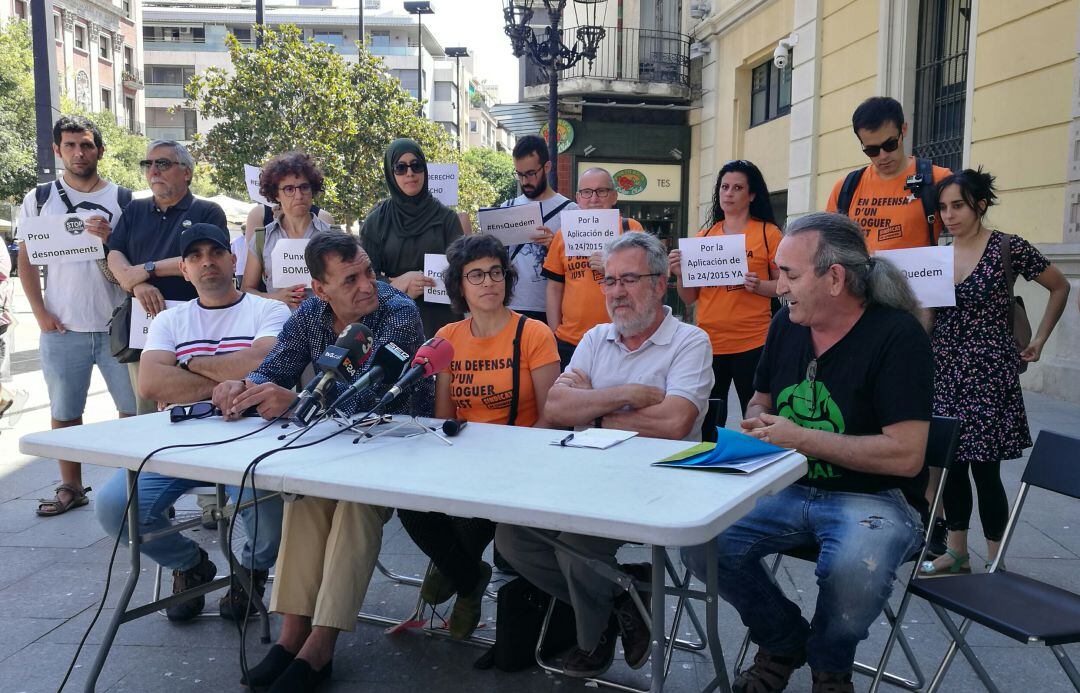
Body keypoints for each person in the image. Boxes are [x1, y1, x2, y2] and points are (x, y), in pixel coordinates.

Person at [681, 212, 932, 693]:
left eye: (790, 275)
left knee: (852, 568)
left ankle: (830, 665)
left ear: (834, 278)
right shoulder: (786, 324)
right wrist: (758, 421)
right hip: (785, 484)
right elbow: (761, 400)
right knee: (699, 541)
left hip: (875, 498)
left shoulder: (899, 336)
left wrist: (801, 437)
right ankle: (783, 640)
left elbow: (906, 456)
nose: (779, 287)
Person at [211, 232, 432, 692]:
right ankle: (291, 636)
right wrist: (244, 387)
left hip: (399, 445)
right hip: (334, 447)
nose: (367, 285)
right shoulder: (310, 314)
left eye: (368, 272)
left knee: (353, 506)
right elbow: (275, 367)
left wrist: (296, 403)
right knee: (305, 497)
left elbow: (372, 397)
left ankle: (321, 645)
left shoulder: (398, 313)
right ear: (320, 289)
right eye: (350, 279)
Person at [498, 232, 712, 679]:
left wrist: (591, 411)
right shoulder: (597, 337)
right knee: (513, 538)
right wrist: (627, 395)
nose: (616, 292)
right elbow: (558, 407)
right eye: (609, 281)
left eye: (629, 279)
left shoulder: (690, 342)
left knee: (577, 550)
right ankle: (623, 595)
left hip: (656, 481)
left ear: (660, 284)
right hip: (585, 473)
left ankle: (591, 637)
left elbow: (674, 422)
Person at [95, 223, 289, 621]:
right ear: (184, 270)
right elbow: (151, 383)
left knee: (266, 513)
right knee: (114, 507)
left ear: (233, 260)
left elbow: (262, 362)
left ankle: (250, 571)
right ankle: (190, 564)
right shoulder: (170, 319)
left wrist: (187, 364)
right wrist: (228, 383)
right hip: (180, 441)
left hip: (254, 438)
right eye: (195, 257)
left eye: (215, 253)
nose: (207, 262)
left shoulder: (269, 309)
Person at [399, 234, 560, 640]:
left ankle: (456, 574)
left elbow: (553, 416)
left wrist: (509, 458)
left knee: (471, 519)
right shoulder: (448, 336)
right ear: (459, 285)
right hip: (465, 456)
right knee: (409, 506)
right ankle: (469, 578)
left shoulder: (534, 333)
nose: (488, 282)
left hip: (521, 459)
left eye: (495, 272)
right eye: (476, 275)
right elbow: (444, 418)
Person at [920, 169, 1070, 575]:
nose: (948, 215)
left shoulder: (1007, 246)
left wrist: (1040, 339)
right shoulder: (938, 255)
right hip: (945, 370)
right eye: (943, 208)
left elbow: (1059, 286)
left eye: (957, 206)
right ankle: (957, 552)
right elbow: (929, 316)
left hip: (989, 374)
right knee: (950, 465)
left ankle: (995, 557)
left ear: (980, 205)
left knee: (985, 469)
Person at [13, 116, 136, 516]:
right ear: (57, 150)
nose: (78, 153)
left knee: (132, 412)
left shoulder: (124, 199)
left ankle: (134, 490)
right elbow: (26, 260)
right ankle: (71, 486)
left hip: (118, 325)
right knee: (65, 412)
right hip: (62, 326)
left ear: (100, 150)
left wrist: (110, 239)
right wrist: (39, 312)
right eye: (70, 145)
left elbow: (135, 258)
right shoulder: (39, 198)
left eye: (86, 145)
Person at [107, 139, 227, 415]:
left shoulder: (207, 211)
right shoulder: (134, 210)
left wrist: (147, 269)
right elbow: (115, 253)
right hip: (143, 326)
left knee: (197, 406)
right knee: (146, 411)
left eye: (162, 163)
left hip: (196, 328)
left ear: (186, 172)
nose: (153, 171)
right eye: (147, 164)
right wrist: (136, 284)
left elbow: (204, 260)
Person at [669, 159, 782, 441]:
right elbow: (689, 298)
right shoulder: (703, 237)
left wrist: (760, 286)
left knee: (756, 418)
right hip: (710, 343)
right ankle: (707, 460)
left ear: (752, 195)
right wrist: (680, 274)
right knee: (707, 421)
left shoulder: (768, 233)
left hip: (754, 341)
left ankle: (757, 462)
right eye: (724, 187)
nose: (728, 193)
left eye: (737, 188)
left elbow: (785, 286)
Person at [361, 138, 464, 339]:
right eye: (400, 168)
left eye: (416, 166)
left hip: (442, 321)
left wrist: (425, 279)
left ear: (424, 170)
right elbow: (365, 278)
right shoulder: (376, 222)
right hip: (393, 319)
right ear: (391, 173)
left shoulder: (446, 219)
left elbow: (461, 270)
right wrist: (400, 283)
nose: (410, 173)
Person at [542, 167, 644, 368]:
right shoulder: (564, 234)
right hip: (571, 341)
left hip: (622, 339)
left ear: (614, 196)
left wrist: (611, 270)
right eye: (587, 192)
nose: (594, 198)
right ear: (578, 198)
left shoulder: (631, 229)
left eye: (601, 191)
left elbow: (646, 280)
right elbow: (554, 287)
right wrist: (554, 333)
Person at [826, 96, 951, 253]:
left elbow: (969, 232)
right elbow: (829, 244)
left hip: (917, 269)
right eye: (872, 150)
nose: (883, 156)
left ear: (903, 130)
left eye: (890, 144)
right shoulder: (845, 188)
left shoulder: (938, 179)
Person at [501, 134, 577, 324]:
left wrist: (555, 247)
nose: (524, 181)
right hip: (510, 306)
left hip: (553, 309)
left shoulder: (571, 211)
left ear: (547, 167)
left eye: (530, 173)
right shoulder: (506, 207)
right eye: (519, 174)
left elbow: (578, 267)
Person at [241, 151, 333, 309]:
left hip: (325, 320)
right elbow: (246, 290)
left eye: (304, 187)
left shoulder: (332, 236)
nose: (299, 195)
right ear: (276, 194)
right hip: (277, 320)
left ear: (312, 189)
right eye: (289, 189)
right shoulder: (263, 238)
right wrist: (275, 298)